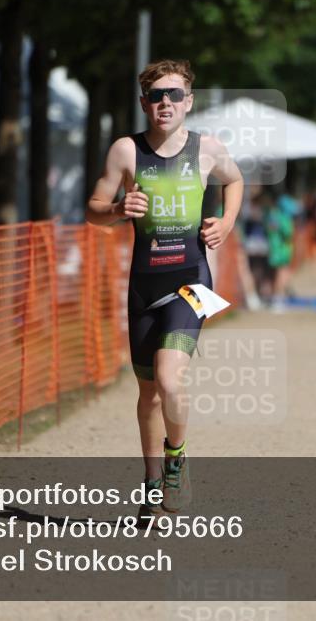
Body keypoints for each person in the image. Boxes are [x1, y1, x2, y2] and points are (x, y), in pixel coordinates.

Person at [85, 59, 244, 520]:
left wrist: (227, 222)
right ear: (144, 104)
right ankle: (153, 484)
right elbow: (93, 210)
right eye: (157, 96)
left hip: (191, 282)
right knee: (149, 391)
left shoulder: (207, 149)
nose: (166, 104)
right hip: (143, 284)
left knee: (172, 379)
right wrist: (117, 208)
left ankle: (177, 459)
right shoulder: (126, 153)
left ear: (189, 102)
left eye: (175, 95)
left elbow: (234, 180)